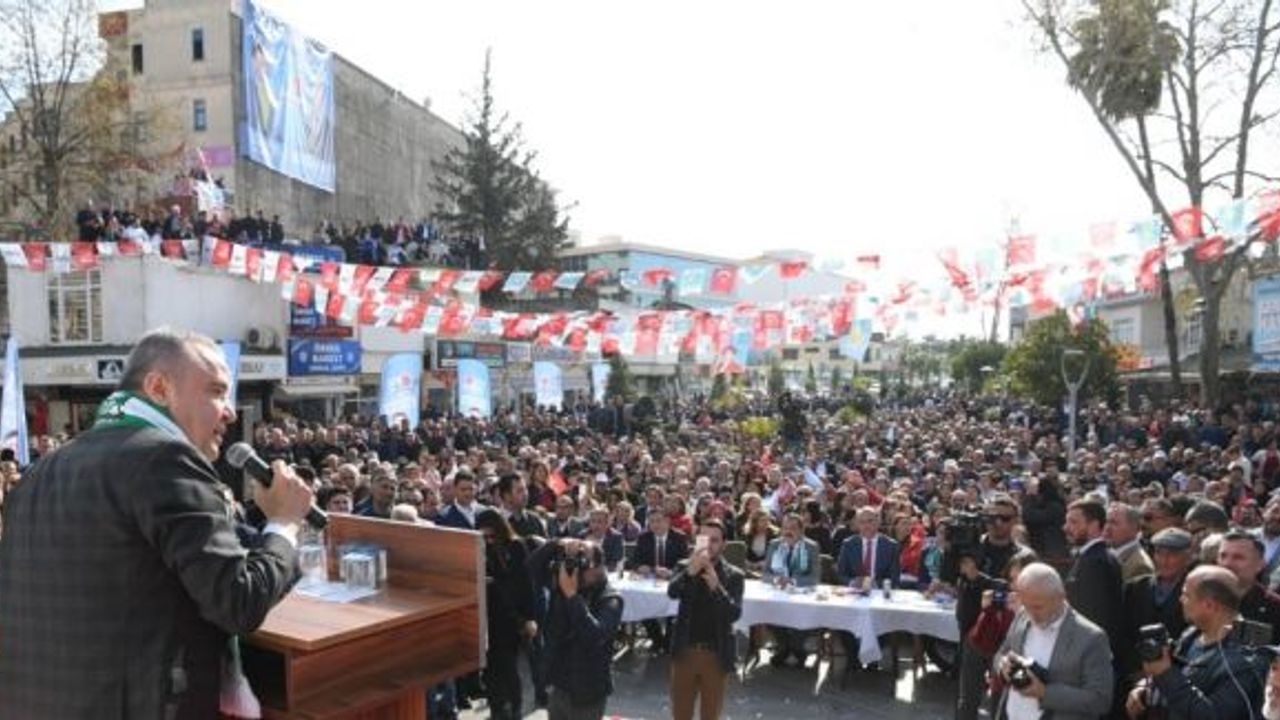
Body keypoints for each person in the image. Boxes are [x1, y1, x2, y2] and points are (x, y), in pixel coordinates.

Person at [0, 329, 314, 719]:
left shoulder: (38, 473)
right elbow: (238, 602)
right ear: (158, 388)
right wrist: (284, 523)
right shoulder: (164, 458)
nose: (230, 411)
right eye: (216, 391)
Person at [1124, 565, 1270, 720]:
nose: (1181, 600)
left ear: (1209, 605)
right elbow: (1176, 674)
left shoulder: (1247, 659)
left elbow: (1213, 715)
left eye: (1186, 595)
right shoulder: (1192, 634)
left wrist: (1164, 674)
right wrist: (1146, 687)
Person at [993, 563, 1115, 720]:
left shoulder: (1091, 638)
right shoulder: (1023, 616)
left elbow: (1100, 700)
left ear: (1061, 596)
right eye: (1026, 606)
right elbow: (1000, 654)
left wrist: (1044, 692)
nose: (1031, 615)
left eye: (1038, 607)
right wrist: (1003, 666)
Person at [947, 494, 1031, 720]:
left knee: (1000, 699)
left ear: (1015, 521)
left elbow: (1019, 589)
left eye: (1004, 518)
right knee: (966, 699)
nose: (996, 522)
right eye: (991, 517)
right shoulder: (971, 545)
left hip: (1007, 636)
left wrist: (979, 577)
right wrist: (951, 548)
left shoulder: (1023, 555)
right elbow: (947, 575)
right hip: (972, 630)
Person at [529, 537, 624, 720]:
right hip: (559, 686)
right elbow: (531, 568)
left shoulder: (610, 598)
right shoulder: (567, 582)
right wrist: (557, 544)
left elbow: (594, 636)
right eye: (576, 561)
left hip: (587, 691)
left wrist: (572, 596)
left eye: (584, 563)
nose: (578, 570)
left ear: (599, 567)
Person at [668, 519, 745, 720]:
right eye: (704, 539)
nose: (709, 545)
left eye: (715, 540)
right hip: (685, 651)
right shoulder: (683, 566)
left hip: (716, 655)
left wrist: (716, 588)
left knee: (711, 714)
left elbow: (734, 614)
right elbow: (672, 592)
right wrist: (689, 573)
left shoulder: (734, 575)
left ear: (723, 544)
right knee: (680, 714)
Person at [475, 509, 537, 720]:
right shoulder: (479, 548)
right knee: (491, 667)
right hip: (488, 616)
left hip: (511, 616)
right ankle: (497, 708)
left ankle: (514, 707)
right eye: (484, 537)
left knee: (509, 665)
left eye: (492, 536)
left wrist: (530, 617)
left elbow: (525, 583)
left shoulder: (516, 546)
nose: (489, 540)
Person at [1121, 528, 1196, 680]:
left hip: (1178, 674)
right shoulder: (1135, 587)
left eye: (1172, 555)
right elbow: (1124, 632)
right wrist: (1137, 668)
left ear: (1187, 558)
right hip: (1136, 673)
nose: (1164, 560)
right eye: (1159, 553)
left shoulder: (1195, 591)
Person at [762, 513, 822, 667]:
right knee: (766, 611)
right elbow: (765, 574)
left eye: (793, 528)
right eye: (785, 528)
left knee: (802, 615)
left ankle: (796, 647)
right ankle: (783, 647)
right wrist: (776, 579)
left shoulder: (811, 546)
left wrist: (793, 581)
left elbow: (815, 577)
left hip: (801, 597)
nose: (788, 532)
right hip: (778, 594)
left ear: (802, 531)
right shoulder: (774, 544)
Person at [1216, 530, 1280, 643]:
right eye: (1223, 556)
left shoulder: (1274, 608)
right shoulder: (1202, 598)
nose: (1227, 563)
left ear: (1260, 564)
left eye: (1238, 557)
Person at [1107, 502, 1156, 583]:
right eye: (1107, 522)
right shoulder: (1109, 552)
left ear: (1134, 527)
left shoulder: (1140, 566)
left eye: (1114, 523)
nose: (1107, 527)